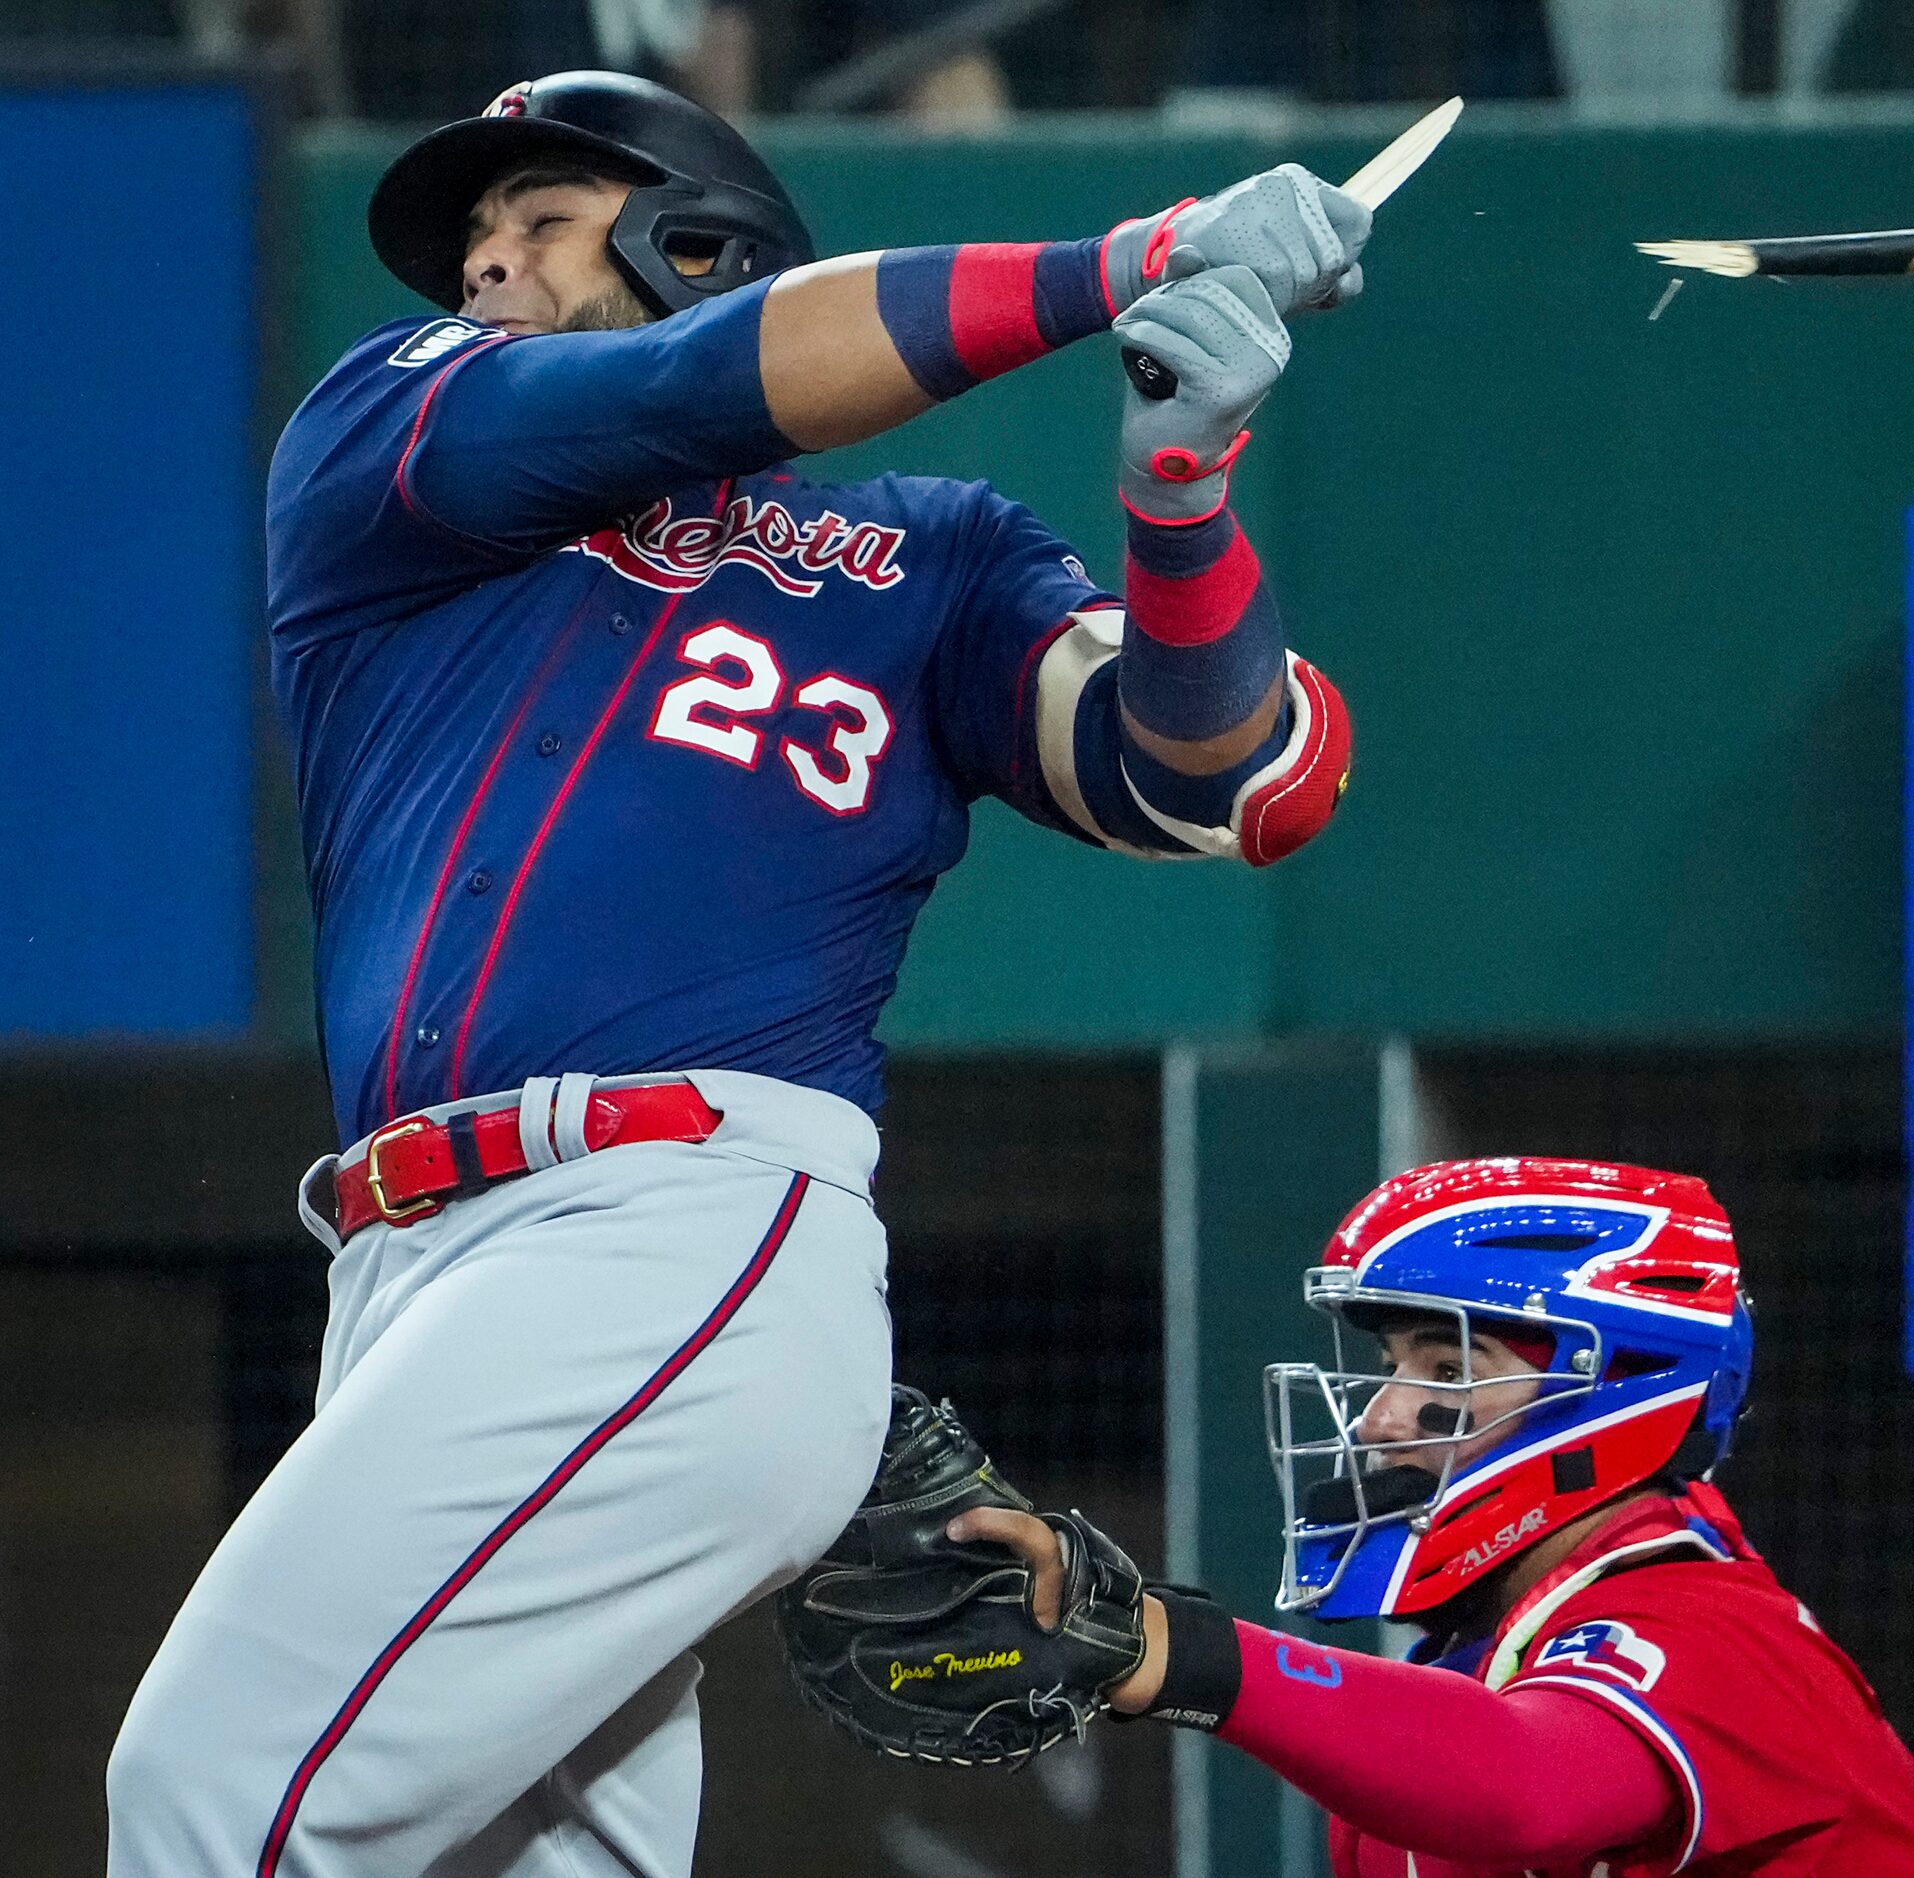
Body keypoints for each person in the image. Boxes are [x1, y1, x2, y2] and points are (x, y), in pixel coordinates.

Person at [103, 68, 1367, 1878]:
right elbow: (687, 385)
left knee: (208, 1796)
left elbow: (1218, 776)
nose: (480, 267)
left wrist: (1180, 507)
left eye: (534, 220)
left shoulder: (927, 554)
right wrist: (1132, 258)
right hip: (411, 1283)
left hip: (667, 1221)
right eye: (472, 239)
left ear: (689, 237)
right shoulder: (387, 448)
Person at [958, 1157, 1914, 1877]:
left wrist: (1179, 1657)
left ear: (1616, 1389)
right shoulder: (1475, 1659)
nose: (1378, 1417)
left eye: (1451, 1367)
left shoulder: (1710, 1623)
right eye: (1392, 1365)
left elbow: (1524, 1786)